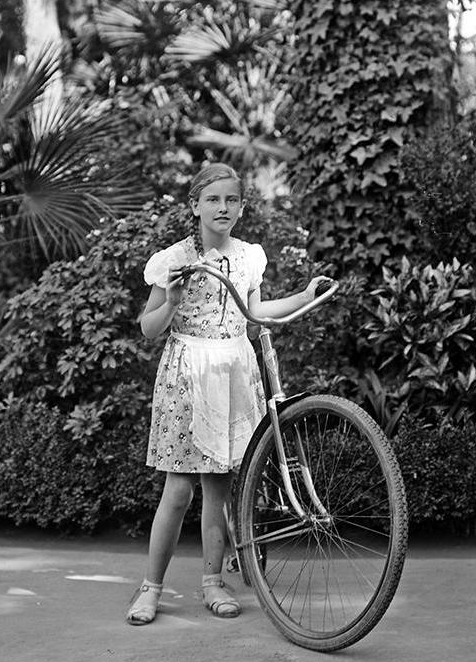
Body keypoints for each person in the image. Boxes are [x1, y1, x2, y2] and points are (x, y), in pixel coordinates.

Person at [126, 162, 329, 626]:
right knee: (178, 490)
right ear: (195, 205)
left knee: (218, 490)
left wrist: (301, 296)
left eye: (231, 200)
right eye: (213, 199)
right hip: (188, 375)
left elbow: (255, 312)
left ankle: (213, 582)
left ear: (241, 207)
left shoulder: (247, 257)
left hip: (235, 370)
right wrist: (173, 302)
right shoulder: (174, 259)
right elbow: (148, 328)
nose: (223, 208)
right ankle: (150, 588)